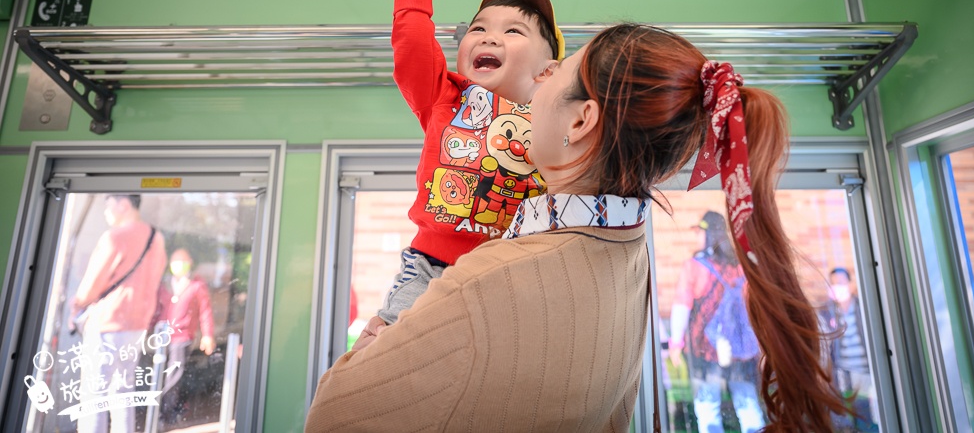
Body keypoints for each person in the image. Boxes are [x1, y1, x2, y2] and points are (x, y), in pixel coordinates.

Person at [306, 23, 846, 432]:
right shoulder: (630, 253)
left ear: (581, 121)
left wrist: (377, 345)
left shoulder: (488, 282)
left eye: (555, 73)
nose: (539, 79)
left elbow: (330, 418)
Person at [370, 0, 563, 329]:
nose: (489, 37)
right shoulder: (447, 99)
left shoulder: (553, 120)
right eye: (478, 29)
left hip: (514, 270)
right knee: (386, 344)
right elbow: (413, 49)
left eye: (514, 31)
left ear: (546, 70)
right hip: (430, 266)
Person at [71, 194, 167, 433]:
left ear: (123, 204)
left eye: (108, 206)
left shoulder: (115, 236)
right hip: (137, 325)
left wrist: (77, 304)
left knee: (95, 394)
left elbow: (93, 281)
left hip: (108, 322)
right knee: (122, 393)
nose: (106, 213)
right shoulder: (156, 238)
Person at [669, 210, 765, 433]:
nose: (697, 237)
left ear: (709, 235)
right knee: (748, 405)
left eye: (700, 232)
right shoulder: (740, 266)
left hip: (705, 349)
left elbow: (681, 306)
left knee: (708, 408)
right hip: (740, 350)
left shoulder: (694, 266)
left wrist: (676, 343)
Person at [156, 248, 216, 425]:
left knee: (173, 376)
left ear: (189, 263)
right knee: (158, 374)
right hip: (161, 335)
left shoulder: (197, 285)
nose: (178, 265)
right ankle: (159, 411)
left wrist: (208, 335)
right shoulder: (165, 284)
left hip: (182, 336)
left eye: (182, 261)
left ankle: (165, 415)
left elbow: (205, 311)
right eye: (175, 261)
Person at [819, 267, 879, 431]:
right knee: (850, 415)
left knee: (870, 415)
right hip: (843, 374)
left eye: (841, 282)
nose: (837, 286)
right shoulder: (827, 312)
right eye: (833, 283)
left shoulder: (863, 308)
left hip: (867, 371)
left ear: (850, 283)